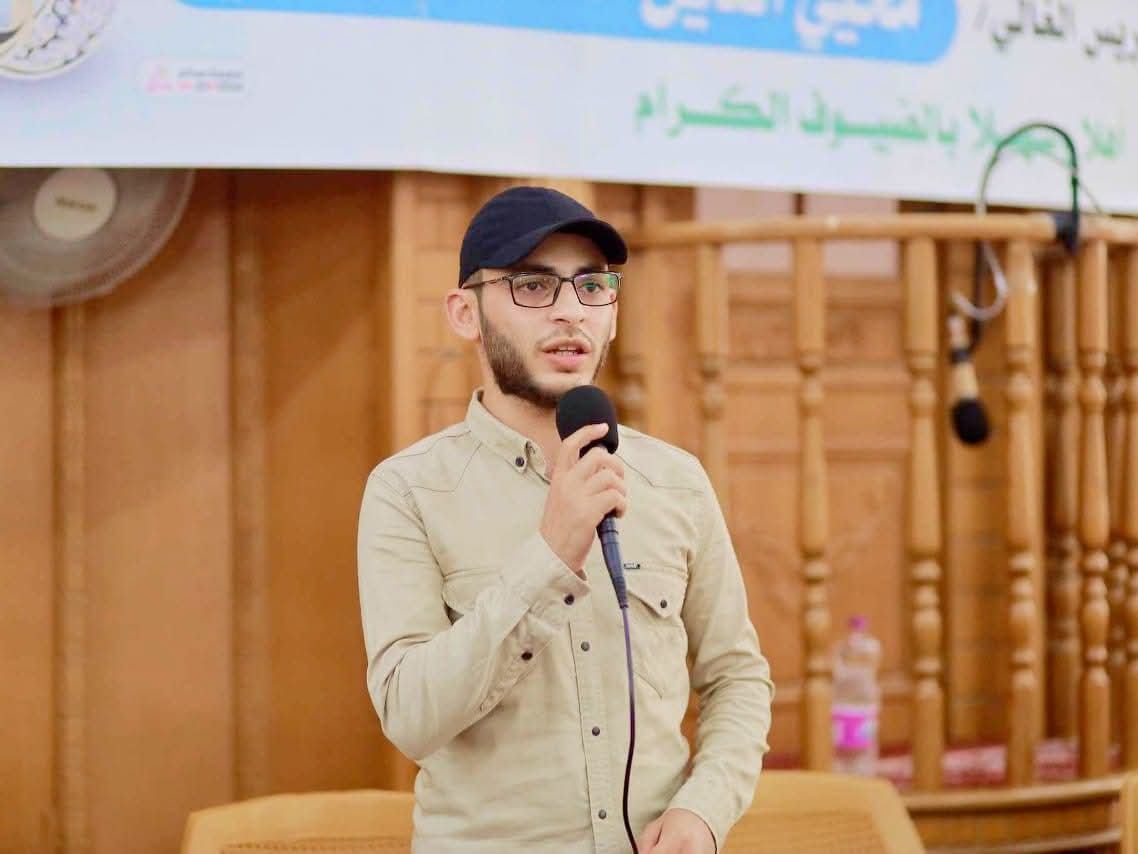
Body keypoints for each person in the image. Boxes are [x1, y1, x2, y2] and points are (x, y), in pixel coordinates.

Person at [357, 186, 773, 853]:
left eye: (592, 286)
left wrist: (704, 811)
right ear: (465, 313)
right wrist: (548, 557)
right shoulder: (408, 491)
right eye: (532, 286)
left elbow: (737, 678)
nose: (571, 311)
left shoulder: (676, 482)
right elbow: (409, 716)